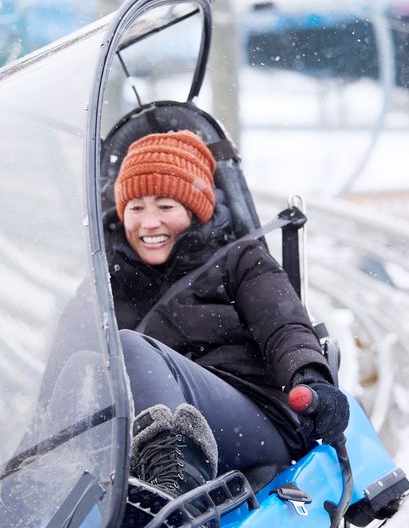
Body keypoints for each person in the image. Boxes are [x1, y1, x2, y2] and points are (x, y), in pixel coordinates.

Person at [106, 129, 350, 502]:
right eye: (135, 208)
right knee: (88, 362)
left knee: (130, 349)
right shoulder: (106, 287)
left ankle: (174, 484)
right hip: (136, 447)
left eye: (165, 206)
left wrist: (311, 379)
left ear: (195, 208)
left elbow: (284, 327)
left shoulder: (239, 260)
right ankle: (155, 478)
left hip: (253, 421)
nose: (148, 223)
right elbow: (63, 382)